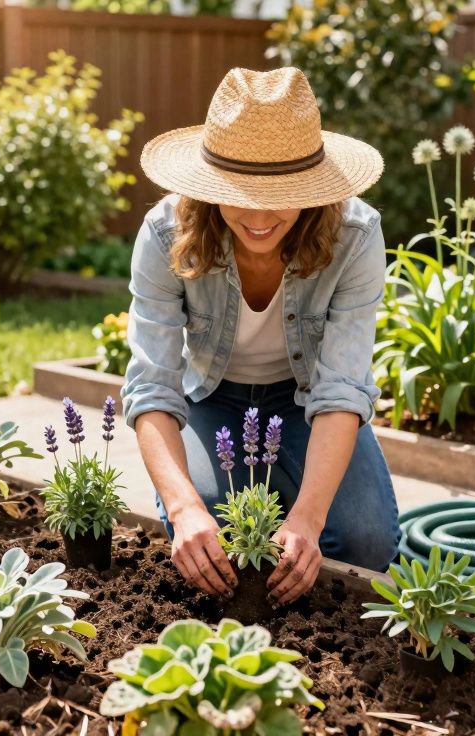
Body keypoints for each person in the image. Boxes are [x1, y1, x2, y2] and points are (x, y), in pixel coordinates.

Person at [121, 66, 400, 606]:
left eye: (281, 194)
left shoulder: (356, 237)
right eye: (239, 192)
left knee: (365, 542)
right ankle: (262, 486)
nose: (257, 216)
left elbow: (342, 388)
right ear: (210, 185)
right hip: (211, 400)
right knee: (209, 539)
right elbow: (153, 387)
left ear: (312, 189)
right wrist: (183, 510)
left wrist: (309, 519)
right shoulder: (163, 234)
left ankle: (291, 485)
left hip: (306, 403)